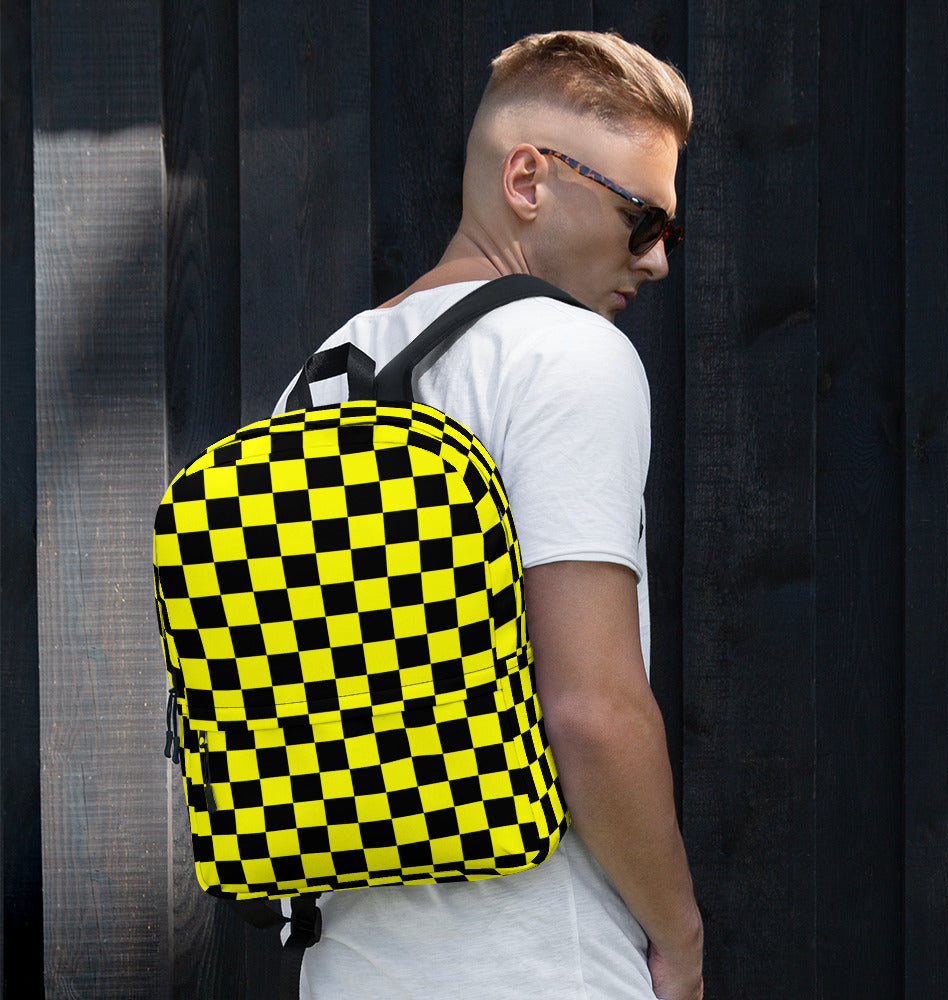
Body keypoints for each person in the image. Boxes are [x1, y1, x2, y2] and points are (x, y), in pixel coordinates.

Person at [275, 29, 703, 1000]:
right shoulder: (565, 352)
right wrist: (680, 937)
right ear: (528, 179)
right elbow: (589, 708)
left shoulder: (317, 380)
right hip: (538, 963)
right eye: (645, 221)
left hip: (346, 967)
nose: (659, 262)